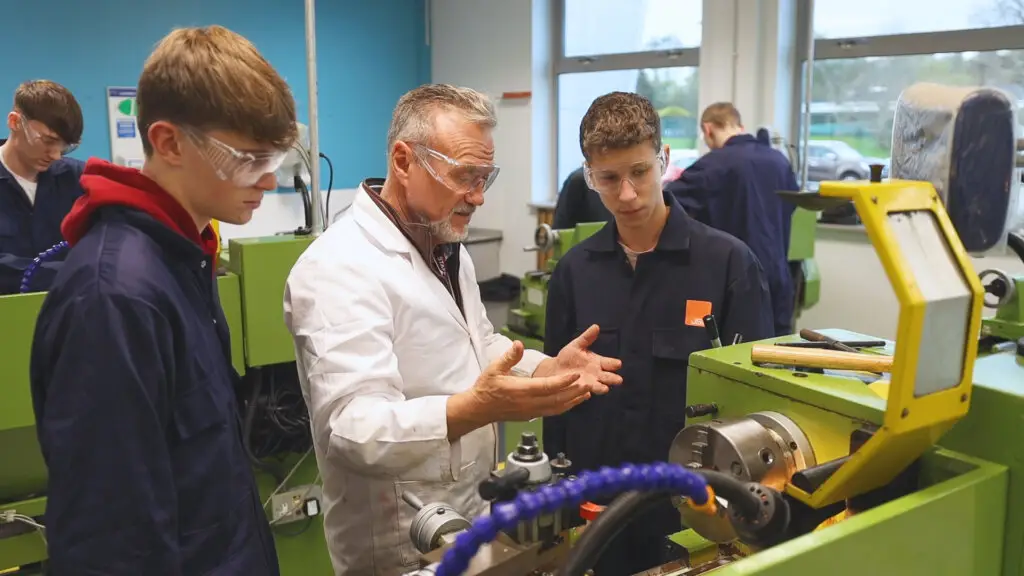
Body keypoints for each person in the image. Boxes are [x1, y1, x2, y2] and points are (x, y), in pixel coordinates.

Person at [283, 83, 623, 575]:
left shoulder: (444, 246)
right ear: (404, 161)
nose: (479, 196)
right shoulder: (339, 267)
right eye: (465, 175)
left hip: (469, 514)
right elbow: (352, 430)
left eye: (486, 176)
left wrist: (546, 367)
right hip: (398, 541)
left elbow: (477, 345)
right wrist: (473, 410)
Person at [30, 26, 297, 575]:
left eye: (274, 157)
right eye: (248, 158)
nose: (269, 180)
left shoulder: (184, 260)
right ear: (170, 142)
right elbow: (110, 544)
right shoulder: (115, 297)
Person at [543, 92, 774, 575]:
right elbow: (554, 400)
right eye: (608, 178)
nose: (626, 194)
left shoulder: (729, 266)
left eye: (640, 172)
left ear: (664, 161)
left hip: (691, 513)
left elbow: (758, 412)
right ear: (589, 176)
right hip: (596, 508)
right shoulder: (573, 273)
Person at [666, 102, 800, 336]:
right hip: (780, 275)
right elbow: (792, 206)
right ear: (740, 126)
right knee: (778, 353)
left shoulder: (713, 165)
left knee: (732, 357)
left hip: (734, 279)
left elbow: (667, 203)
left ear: (708, 129)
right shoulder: (779, 162)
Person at [0, 80, 84, 294]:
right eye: (47, 141)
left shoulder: (79, 179)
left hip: (67, 316)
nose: (56, 155)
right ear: (15, 122)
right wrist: (68, 274)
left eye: (65, 146)